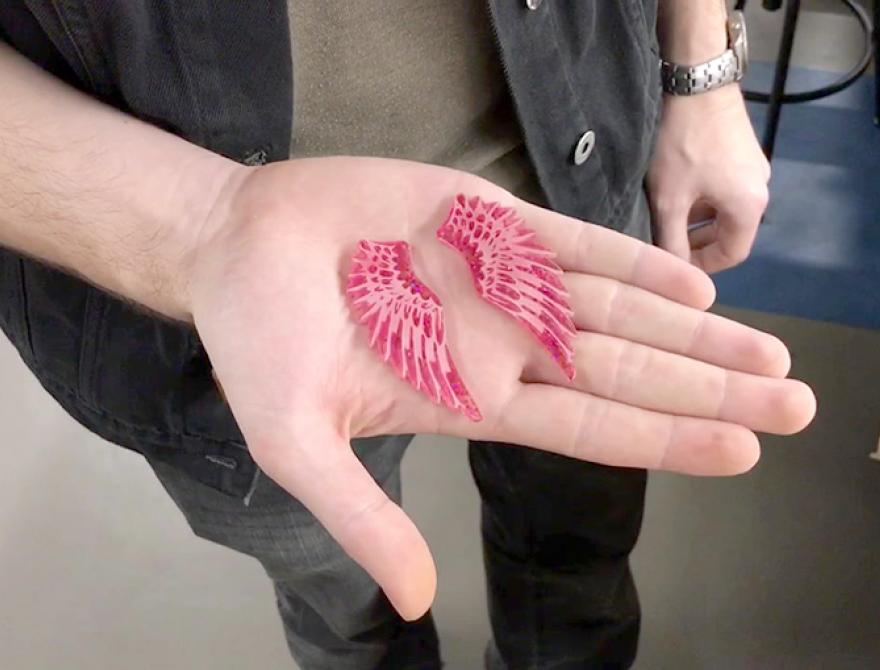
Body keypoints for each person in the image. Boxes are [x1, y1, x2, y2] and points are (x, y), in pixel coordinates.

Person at [0, 2, 813, 668]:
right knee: (346, 604)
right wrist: (204, 225)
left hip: (579, 165)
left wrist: (700, 67)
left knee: (580, 550)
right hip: (206, 312)